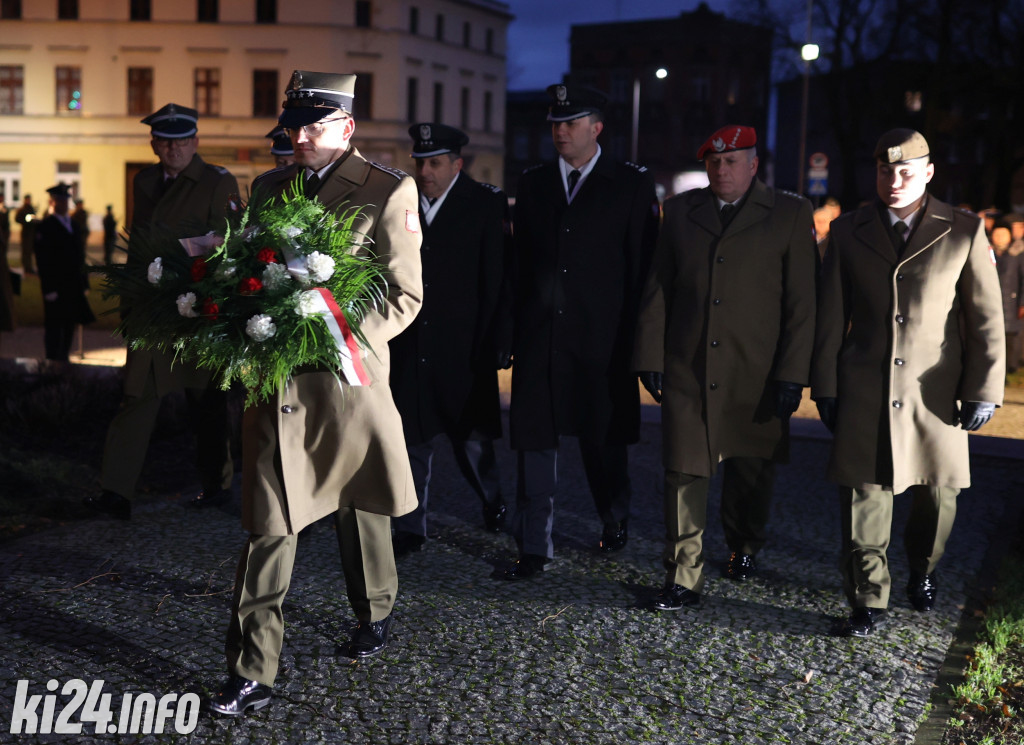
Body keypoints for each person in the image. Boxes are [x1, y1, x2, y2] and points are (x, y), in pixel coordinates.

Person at [207, 70, 423, 717]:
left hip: (346, 386)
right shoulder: (269, 188)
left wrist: (335, 331)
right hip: (276, 391)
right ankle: (253, 669)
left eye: (314, 125)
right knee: (267, 526)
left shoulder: (387, 190)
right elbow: (249, 272)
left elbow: (404, 294)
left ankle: (374, 610)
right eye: (293, 126)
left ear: (347, 128)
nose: (299, 137)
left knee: (361, 509)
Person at [811, 129, 1005, 637]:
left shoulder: (962, 229)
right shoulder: (849, 230)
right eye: (883, 170)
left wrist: (984, 389)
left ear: (927, 172)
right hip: (865, 386)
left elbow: (985, 319)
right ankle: (869, 599)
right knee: (863, 496)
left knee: (939, 498)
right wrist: (825, 385)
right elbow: (831, 316)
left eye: (903, 171)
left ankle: (923, 567)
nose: (893, 180)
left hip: (936, 392)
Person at [633, 124, 817, 611]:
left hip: (757, 371)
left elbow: (803, 304)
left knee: (750, 473)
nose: (721, 169)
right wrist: (650, 356)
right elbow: (658, 289)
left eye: (731, 161)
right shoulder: (680, 212)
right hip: (688, 365)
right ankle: (681, 574)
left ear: (754, 165)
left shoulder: (791, 213)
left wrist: (793, 373)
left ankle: (744, 545)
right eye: (714, 162)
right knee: (682, 471)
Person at [501, 84, 659, 580]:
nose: (560, 131)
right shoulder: (533, 183)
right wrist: (511, 332)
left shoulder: (631, 184)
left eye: (571, 123)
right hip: (541, 339)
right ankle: (534, 545)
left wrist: (641, 345)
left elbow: (644, 270)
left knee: (603, 444)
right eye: (555, 123)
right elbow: (518, 266)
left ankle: (614, 517)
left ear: (597, 128)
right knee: (535, 444)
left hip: (602, 343)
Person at [85, 103, 237, 520]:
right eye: (166, 142)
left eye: (182, 141)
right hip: (152, 310)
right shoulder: (145, 180)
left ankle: (216, 485)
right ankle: (115, 493)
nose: (174, 149)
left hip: (195, 310)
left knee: (206, 400)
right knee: (136, 396)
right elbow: (137, 244)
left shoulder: (217, 182)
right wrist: (132, 299)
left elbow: (227, 246)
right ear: (153, 144)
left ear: (196, 142)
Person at [388, 122, 509, 557]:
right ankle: (410, 524)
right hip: (411, 343)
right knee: (410, 438)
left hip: (463, 346)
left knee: (472, 440)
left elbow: (496, 275)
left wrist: (499, 336)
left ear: (457, 164)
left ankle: (493, 501)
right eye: (420, 162)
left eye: (435, 163)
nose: (426, 172)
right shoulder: (400, 203)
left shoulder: (482, 204)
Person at [33, 184, 95, 362]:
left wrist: (84, 283)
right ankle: (52, 363)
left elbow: (80, 257)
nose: (65, 203)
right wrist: (48, 288)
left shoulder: (73, 226)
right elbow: (43, 261)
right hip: (56, 286)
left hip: (73, 284)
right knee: (54, 326)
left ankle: (64, 359)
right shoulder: (46, 226)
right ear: (52, 202)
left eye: (66, 200)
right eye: (60, 200)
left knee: (69, 324)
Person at [991, 221, 1024, 373]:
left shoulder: (1017, 254)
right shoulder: (987, 252)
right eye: (997, 234)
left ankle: (1010, 368)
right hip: (991, 302)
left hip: (1011, 301)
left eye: (1003, 234)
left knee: (1011, 336)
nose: (999, 237)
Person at [15, 194, 36, 275]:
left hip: (31, 232)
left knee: (29, 251)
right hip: (26, 233)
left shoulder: (30, 208)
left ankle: (29, 267)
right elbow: (17, 219)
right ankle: (26, 267)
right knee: (25, 250)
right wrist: (25, 221)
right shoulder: (23, 209)